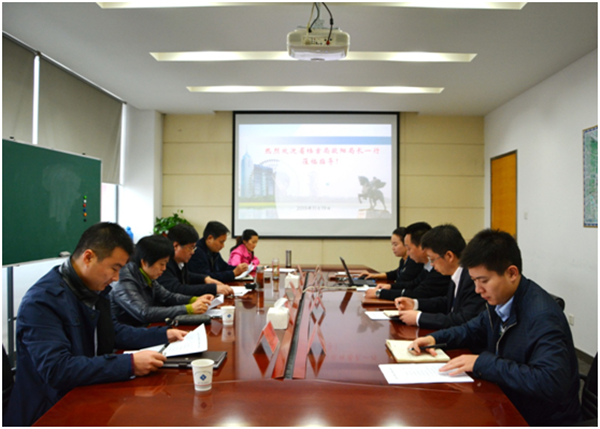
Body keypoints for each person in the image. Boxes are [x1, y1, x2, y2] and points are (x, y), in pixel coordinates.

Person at [4, 223, 188, 426]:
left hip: (85, 394)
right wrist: (129, 364)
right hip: (48, 411)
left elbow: (113, 332)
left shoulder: (93, 290)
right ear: (88, 257)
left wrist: (164, 334)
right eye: (114, 268)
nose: (116, 278)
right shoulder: (42, 301)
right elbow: (57, 369)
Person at [407, 229, 581, 426]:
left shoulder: (542, 316)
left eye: (484, 281)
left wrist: (482, 363)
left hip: (538, 418)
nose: (477, 290)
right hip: (506, 400)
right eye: (474, 281)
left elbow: (551, 382)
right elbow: (470, 329)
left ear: (512, 273)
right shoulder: (500, 300)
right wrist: (434, 339)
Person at [393, 224, 485, 329]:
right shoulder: (457, 274)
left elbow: (462, 320)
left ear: (449, 256)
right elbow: (447, 302)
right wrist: (415, 303)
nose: (431, 264)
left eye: (432, 259)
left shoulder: (472, 279)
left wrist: (419, 318)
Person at [110, 234, 214, 327]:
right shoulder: (124, 279)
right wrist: (188, 309)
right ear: (145, 262)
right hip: (128, 335)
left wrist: (194, 299)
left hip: (146, 328)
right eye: (162, 264)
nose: (164, 268)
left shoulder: (146, 275)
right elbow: (144, 312)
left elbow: (168, 297)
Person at [365, 222, 449, 301]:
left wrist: (380, 293)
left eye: (409, 248)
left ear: (422, 247)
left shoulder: (440, 269)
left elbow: (418, 294)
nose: (408, 253)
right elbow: (414, 284)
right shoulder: (427, 267)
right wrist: (390, 286)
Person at [158, 223, 233, 297]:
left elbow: (188, 275)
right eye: (190, 248)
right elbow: (177, 289)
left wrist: (205, 278)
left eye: (194, 248)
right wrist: (213, 288)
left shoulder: (180, 261)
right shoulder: (163, 263)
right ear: (176, 246)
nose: (193, 252)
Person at [358, 227, 422, 283]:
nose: (393, 248)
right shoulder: (403, 260)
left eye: (395, 244)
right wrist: (374, 275)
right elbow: (396, 273)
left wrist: (387, 288)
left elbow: (403, 282)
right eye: (392, 245)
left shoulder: (414, 261)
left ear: (405, 244)